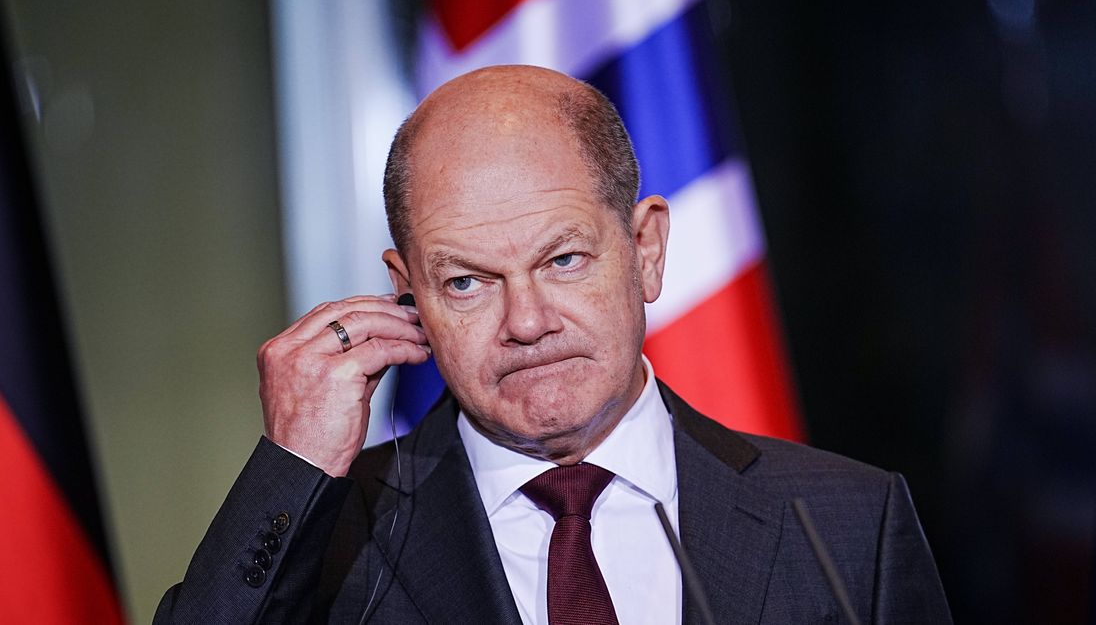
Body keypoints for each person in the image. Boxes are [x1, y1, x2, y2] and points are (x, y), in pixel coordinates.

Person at [156, 65, 952, 624]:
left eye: (563, 259)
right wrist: (292, 468)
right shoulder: (332, 537)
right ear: (410, 293)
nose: (528, 321)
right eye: (467, 281)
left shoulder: (844, 521)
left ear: (645, 249)